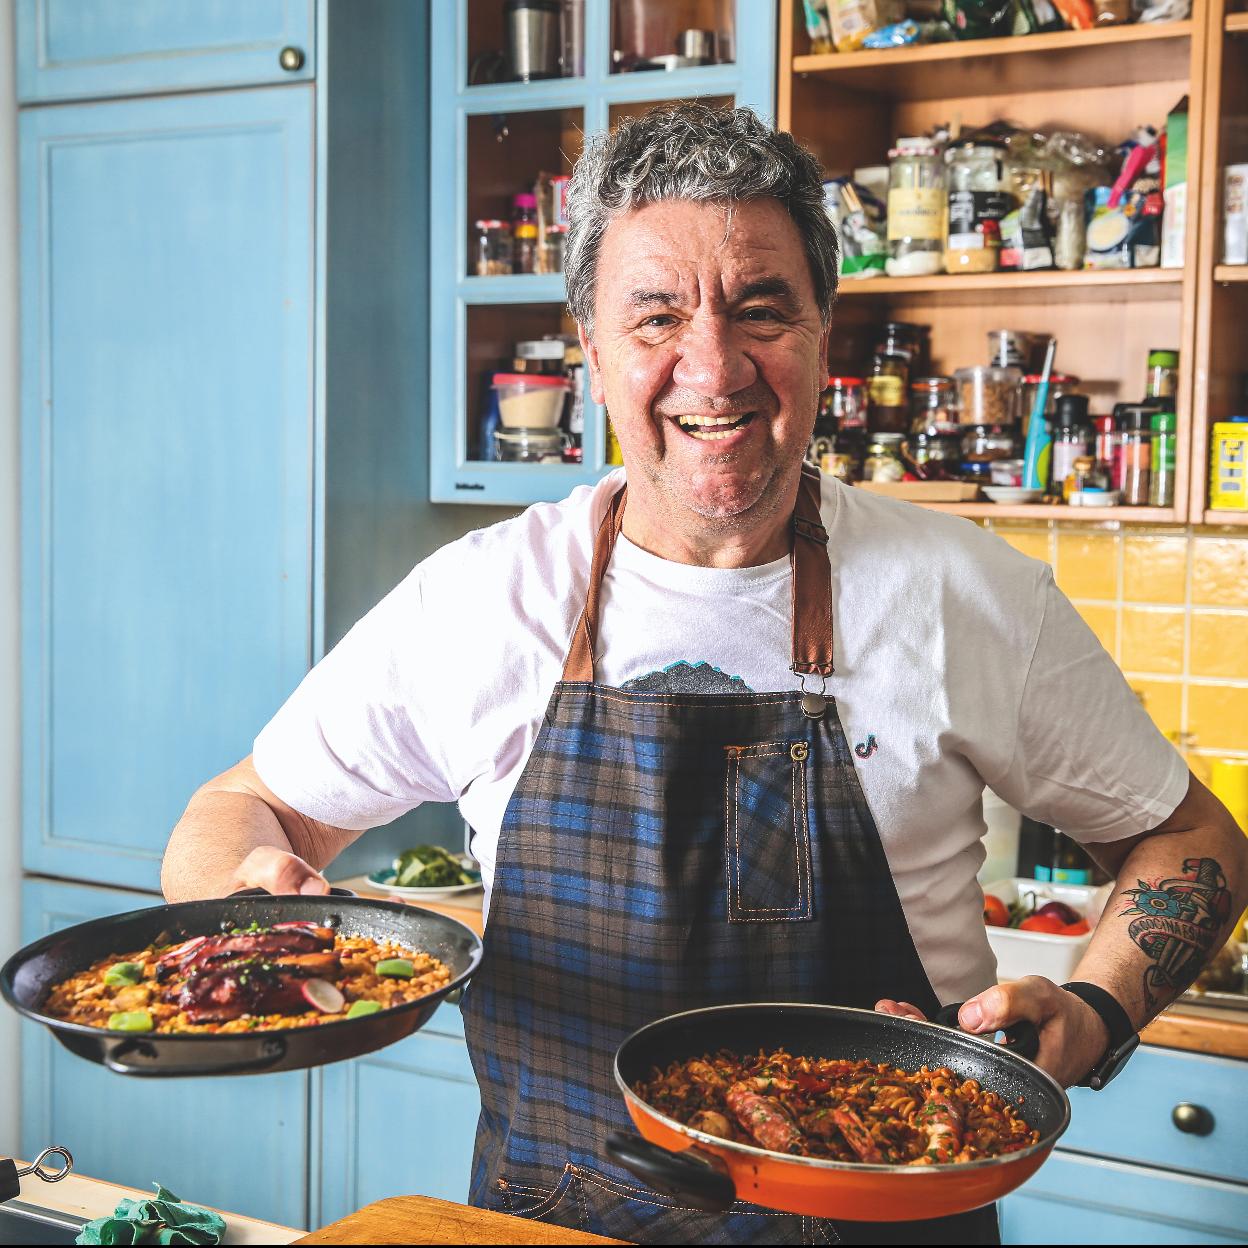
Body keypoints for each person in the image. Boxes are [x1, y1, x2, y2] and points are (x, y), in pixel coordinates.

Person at [162, 104, 1247, 1245]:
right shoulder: (478, 603)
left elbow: (1193, 840)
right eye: (657, 316)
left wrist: (1089, 1012)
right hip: (553, 1224)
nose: (713, 366)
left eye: (762, 308)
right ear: (590, 348)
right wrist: (253, 907)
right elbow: (237, 808)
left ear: (826, 331)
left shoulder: (964, 594)